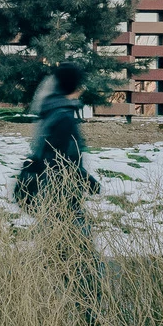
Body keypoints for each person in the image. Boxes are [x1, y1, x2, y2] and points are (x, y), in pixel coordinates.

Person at [13, 63, 99, 219]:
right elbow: (60, 160)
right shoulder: (63, 116)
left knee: (57, 237)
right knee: (72, 239)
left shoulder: (51, 109)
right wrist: (87, 180)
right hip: (61, 193)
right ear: (73, 86)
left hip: (52, 192)